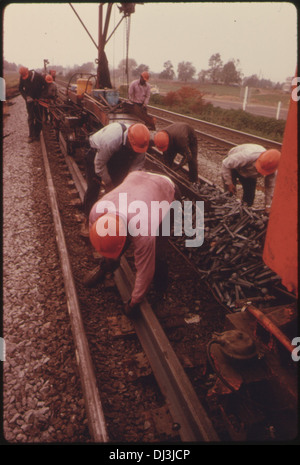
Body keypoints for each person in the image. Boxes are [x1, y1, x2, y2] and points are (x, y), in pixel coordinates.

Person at [87, 170, 177, 317]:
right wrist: (109, 258)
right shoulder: (96, 211)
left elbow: (144, 270)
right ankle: (104, 268)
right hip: (136, 178)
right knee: (110, 244)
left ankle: (161, 293)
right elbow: (102, 241)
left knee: (159, 254)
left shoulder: (144, 231)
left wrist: (134, 301)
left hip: (164, 188)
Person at [81, 122, 150, 236]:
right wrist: (108, 183)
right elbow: (99, 165)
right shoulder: (111, 140)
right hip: (95, 153)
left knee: (119, 188)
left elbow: (136, 167)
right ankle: (87, 219)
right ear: (128, 140)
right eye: (133, 148)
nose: (136, 151)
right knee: (93, 188)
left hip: (116, 156)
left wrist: (128, 184)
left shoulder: (141, 143)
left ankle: (115, 220)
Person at [221, 144, 281, 212]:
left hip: (249, 173)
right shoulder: (246, 156)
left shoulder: (272, 169)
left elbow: (270, 187)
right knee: (229, 194)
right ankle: (227, 211)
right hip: (233, 167)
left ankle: (242, 214)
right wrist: (229, 183)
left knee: (249, 199)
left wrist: (268, 205)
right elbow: (225, 164)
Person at [19, 67, 46, 142]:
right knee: (30, 117)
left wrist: (42, 97)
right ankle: (31, 135)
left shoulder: (38, 76)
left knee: (38, 118)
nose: (24, 78)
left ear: (28, 72)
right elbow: (20, 88)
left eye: (25, 76)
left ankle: (37, 135)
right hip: (29, 101)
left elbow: (45, 86)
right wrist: (26, 97)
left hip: (39, 100)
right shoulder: (22, 77)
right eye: (23, 77)